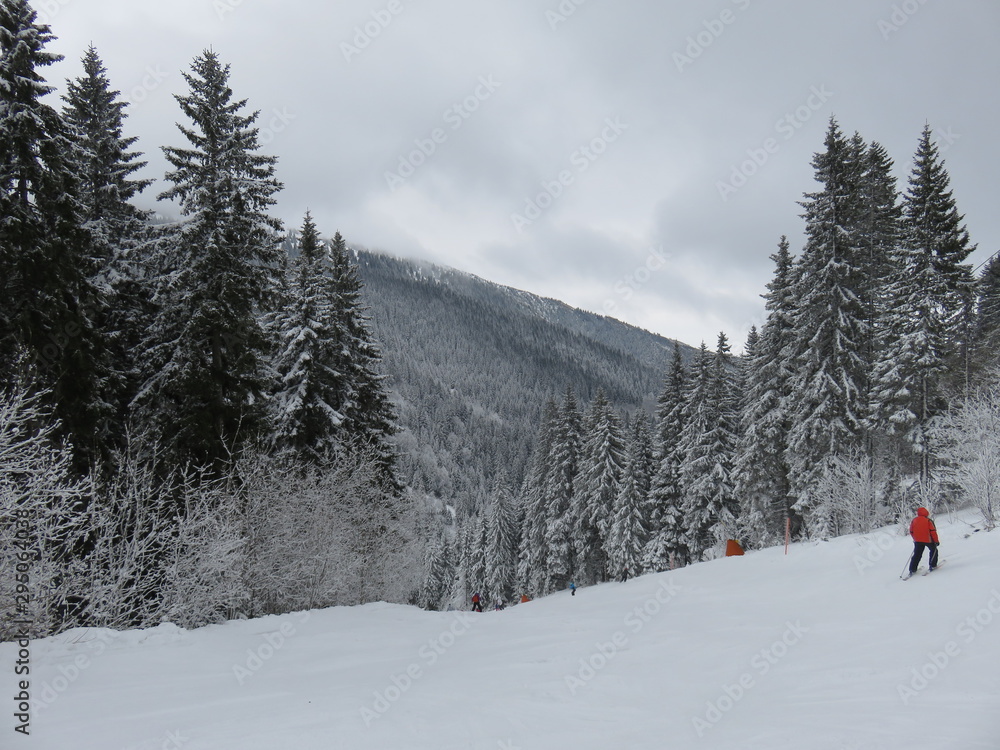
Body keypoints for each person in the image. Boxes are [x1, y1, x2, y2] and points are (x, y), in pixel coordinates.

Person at [908, 507, 939, 576]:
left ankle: (912, 569)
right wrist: (936, 541)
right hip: (928, 540)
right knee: (934, 551)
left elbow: (911, 531)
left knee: (917, 554)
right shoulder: (928, 520)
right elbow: (933, 532)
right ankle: (932, 565)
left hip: (918, 541)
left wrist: (915, 538)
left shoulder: (914, 520)